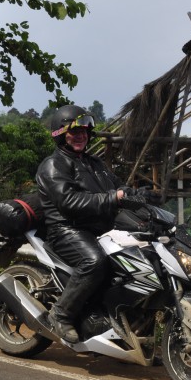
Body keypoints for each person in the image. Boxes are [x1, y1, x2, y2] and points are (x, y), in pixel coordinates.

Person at [36, 104, 130, 342]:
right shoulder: (54, 164)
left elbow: (117, 187)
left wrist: (137, 194)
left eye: (84, 131)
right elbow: (69, 201)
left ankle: (120, 326)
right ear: (61, 134)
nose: (80, 136)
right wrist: (114, 198)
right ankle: (60, 315)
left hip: (99, 229)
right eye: (74, 131)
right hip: (67, 230)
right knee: (94, 261)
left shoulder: (95, 164)